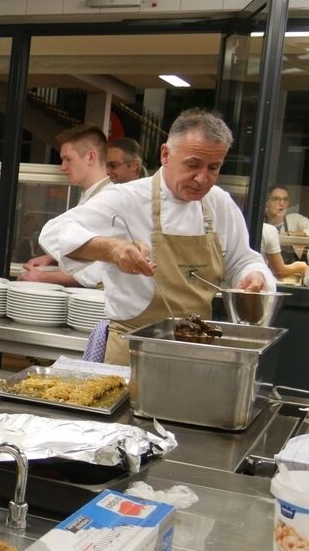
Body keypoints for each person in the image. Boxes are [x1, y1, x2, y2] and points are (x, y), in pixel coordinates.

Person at [40, 108, 274, 365]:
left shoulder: (219, 203)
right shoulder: (127, 198)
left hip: (196, 351)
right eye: (193, 164)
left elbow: (242, 259)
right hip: (132, 351)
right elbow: (53, 233)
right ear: (165, 154)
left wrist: (253, 276)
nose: (202, 178)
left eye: (214, 167)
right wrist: (111, 249)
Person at [21, 125, 109, 287]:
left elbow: (100, 269)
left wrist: (43, 278)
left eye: (68, 159)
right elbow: (88, 248)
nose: (63, 167)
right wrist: (52, 258)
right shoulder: (90, 195)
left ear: (90, 157)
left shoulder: (110, 200)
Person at [264, 185, 309, 263]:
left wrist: (289, 234)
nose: (282, 203)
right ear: (267, 202)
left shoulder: (295, 219)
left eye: (285, 199)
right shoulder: (260, 225)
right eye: (276, 199)